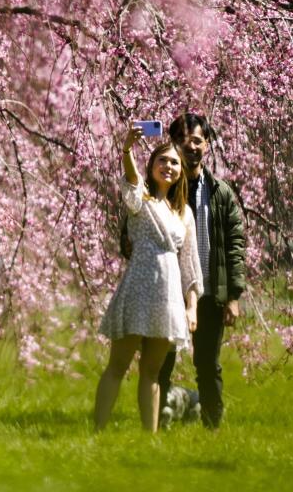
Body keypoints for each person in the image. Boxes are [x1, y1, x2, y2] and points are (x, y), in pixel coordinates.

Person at [94, 126, 203, 432]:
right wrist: (127, 149)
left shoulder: (184, 214)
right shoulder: (140, 200)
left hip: (167, 299)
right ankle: (98, 431)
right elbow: (131, 179)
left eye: (174, 163)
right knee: (117, 366)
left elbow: (189, 265)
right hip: (139, 291)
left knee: (152, 372)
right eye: (162, 161)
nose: (168, 167)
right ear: (152, 165)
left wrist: (191, 306)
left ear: (181, 171)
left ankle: (149, 438)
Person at [156, 112, 247, 428]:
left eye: (196, 140)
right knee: (162, 360)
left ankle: (212, 426)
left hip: (209, 291)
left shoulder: (220, 193)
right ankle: (156, 422)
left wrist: (233, 296)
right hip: (170, 290)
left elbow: (235, 245)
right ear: (172, 143)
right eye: (182, 140)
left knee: (207, 363)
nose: (189, 146)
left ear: (207, 145)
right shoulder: (162, 188)